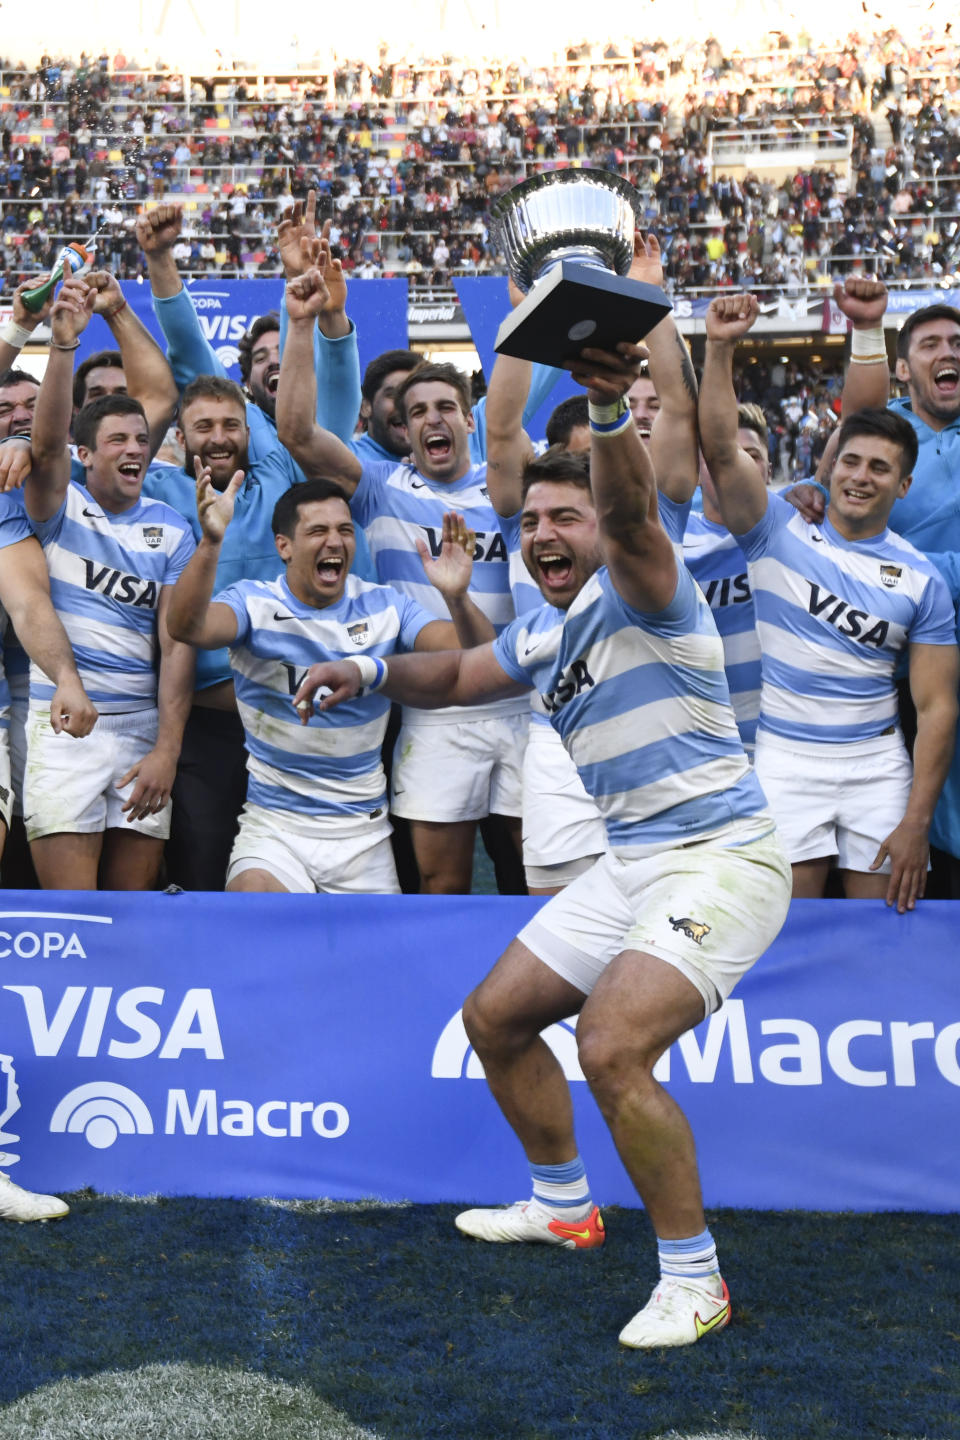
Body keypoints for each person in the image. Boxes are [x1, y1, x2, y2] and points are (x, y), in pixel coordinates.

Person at [293, 340, 792, 1350]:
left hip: (723, 861)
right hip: (631, 864)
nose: (544, 535)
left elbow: (634, 516)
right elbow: (460, 677)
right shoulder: (543, 627)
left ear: (599, 531)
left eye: (565, 518)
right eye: (528, 523)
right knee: (495, 1019)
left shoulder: (647, 587)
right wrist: (370, 673)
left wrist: (609, 415)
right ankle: (563, 1204)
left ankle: (696, 1279)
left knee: (611, 1045)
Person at [700, 292, 959, 911]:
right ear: (826, 468)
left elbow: (937, 707)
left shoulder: (924, 580)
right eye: (850, 461)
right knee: (790, 924)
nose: (860, 476)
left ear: (904, 485)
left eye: (878, 467)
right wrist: (718, 347)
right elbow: (716, 445)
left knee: (884, 923)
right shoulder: (776, 530)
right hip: (787, 763)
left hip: (878, 769)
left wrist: (917, 822)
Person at [277, 266, 528, 895]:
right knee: (440, 884)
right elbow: (298, 434)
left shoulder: (514, 486)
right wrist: (302, 323)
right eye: (417, 411)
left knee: (533, 875)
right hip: (436, 709)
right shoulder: (381, 489)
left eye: (446, 407)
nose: (431, 419)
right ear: (404, 429)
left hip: (525, 703)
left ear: (469, 420)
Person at [168, 472, 494, 893]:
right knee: (255, 917)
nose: (335, 541)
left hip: (363, 836)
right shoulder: (254, 602)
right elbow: (186, 626)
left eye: (344, 530)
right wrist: (211, 542)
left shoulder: (385, 605)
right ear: (283, 546)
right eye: (317, 531)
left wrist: (457, 598)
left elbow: (480, 654)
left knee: (373, 961)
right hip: (274, 830)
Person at [22, 275, 196, 890]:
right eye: (116, 439)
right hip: (64, 726)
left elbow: (177, 646)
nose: (134, 449)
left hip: (142, 732)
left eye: (142, 440)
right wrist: (62, 346)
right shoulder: (55, 505)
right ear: (85, 454)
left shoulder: (174, 529)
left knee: (134, 917)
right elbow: (43, 447)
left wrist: (166, 751)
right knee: (76, 918)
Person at [886, 303, 960, 890]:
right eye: (931, 344)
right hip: (901, 668)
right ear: (904, 369)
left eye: (956, 342)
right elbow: (832, 509)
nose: (949, 352)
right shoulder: (879, 437)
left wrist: (909, 571)